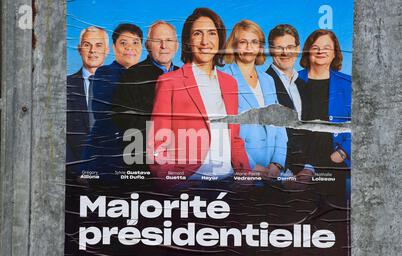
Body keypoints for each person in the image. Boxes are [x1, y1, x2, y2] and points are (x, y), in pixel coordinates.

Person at [147, 8, 250, 180]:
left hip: (229, 180)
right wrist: (174, 183)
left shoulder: (230, 83)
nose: (205, 41)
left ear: (219, 39)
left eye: (211, 33)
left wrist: (246, 175)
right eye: (197, 34)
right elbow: (156, 143)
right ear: (188, 41)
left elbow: (234, 138)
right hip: (191, 182)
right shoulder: (169, 82)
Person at [222, 20, 287, 179]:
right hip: (243, 170)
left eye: (254, 42)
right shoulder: (223, 78)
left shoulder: (268, 80)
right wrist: (251, 167)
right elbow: (223, 131)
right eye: (243, 42)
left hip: (272, 170)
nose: (249, 47)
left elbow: (279, 124)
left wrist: (277, 163)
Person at [112, 21, 180, 168]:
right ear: (148, 45)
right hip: (146, 161)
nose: (164, 46)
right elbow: (125, 121)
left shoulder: (186, 76)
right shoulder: (131, 76)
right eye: (157, 41)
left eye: (169, 40)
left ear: (177, 45)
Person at [82, 23, 143, 179]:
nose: (130, 47)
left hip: (134, 153)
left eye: (135, 42)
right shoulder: (106, 73)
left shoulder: (144, 75)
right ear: (114, 48)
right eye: (124, 43)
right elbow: (107, 114)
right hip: (107, 155)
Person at [299, 29, 352, 203]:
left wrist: (344, 152)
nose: (321, 51)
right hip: (298, 165)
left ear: (335, 52)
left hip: (333, 164)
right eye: (316, 47)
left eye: (327, 47)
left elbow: (366, 124)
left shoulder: (349, 84)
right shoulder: (292, 81)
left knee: (330, 222)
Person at [266, 24, 314, 185]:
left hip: (306, 175)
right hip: (277, 176)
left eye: (290, 47)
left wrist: (309, 168)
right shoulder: (262, 82)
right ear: (271, 50)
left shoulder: (304, 85)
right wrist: (283, 176)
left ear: (298, 49)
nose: (285, 53)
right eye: (279, 47)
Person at [66, 26, 109, 179]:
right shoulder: (64, 86)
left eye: (98, 45)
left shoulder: (121, 84)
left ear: (107, 50)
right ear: (79, 49)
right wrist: (77, 172)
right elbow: (58, 134)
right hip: (74, 175)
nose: (93, 50)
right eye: (87, 45)